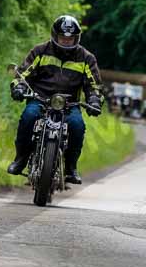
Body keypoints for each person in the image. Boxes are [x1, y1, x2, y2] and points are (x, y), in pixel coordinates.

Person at [7, 15, 103, 184]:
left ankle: (70, 168)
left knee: (77, 125)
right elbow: (22, 74)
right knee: (28, 117)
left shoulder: (86, 58)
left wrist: (94, 100)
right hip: (40, 99)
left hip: (69, 104)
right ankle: (21, 159)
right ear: (55, 35)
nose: (66, 41)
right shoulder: (40, 51)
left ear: (76, 38)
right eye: (62, 38)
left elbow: (94, 85)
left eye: (70, 38)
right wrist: (19, 87)